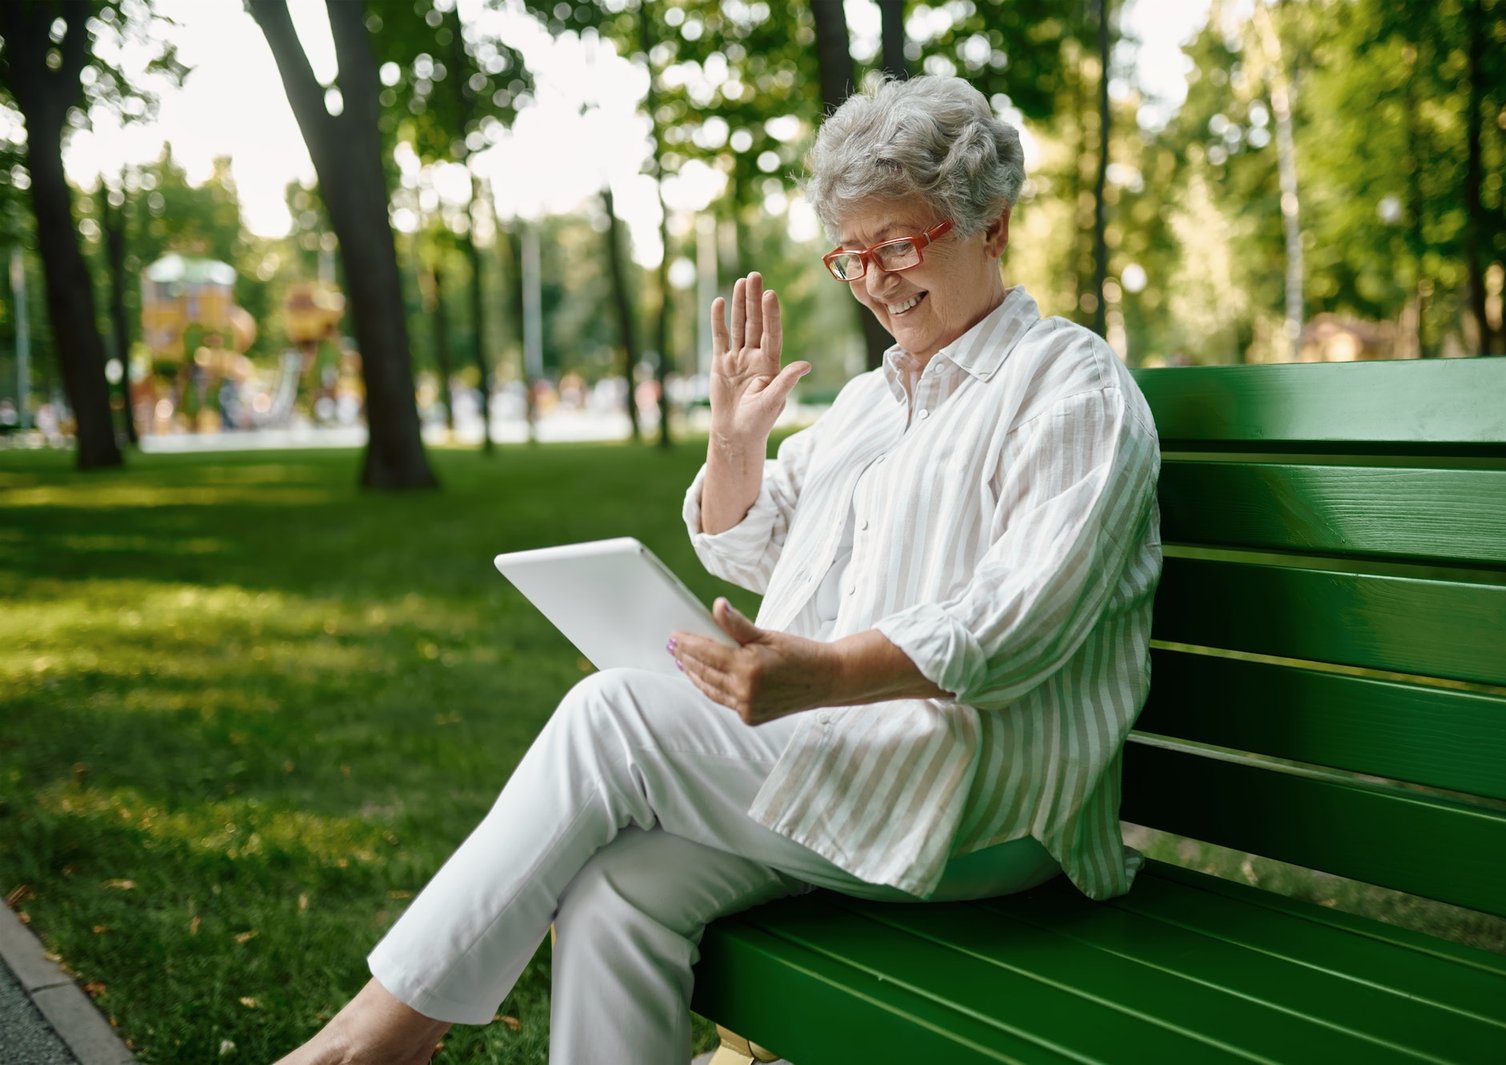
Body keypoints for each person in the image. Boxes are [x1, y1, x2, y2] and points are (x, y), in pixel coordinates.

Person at [276, 74, 1160, 1065]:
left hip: (989, 806)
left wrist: (823, 674)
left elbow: (1023, 617)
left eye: (899, 245)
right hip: (847, 768)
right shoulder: (877, 402)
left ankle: (374, 1040)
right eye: (849, 256)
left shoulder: (1068, 382)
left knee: (610, 716)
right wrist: (737, 445)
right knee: (618, 890)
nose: (873, 280)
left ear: (989, 226)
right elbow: (761, 546)